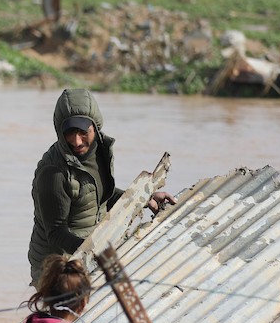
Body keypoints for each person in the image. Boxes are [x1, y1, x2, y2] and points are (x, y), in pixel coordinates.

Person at [28, 88, 174, 286]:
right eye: (69, 133)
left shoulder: (99, 152)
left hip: (88, 249)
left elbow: (102, 195)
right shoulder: (53, 173)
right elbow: (55, 233)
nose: (77, 141)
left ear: (95, 127)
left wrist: (145, 198)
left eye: (82, 132)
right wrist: (92, 253)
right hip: (56, 265)